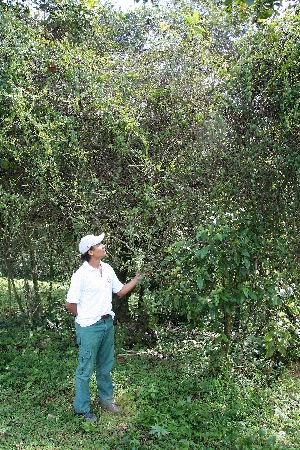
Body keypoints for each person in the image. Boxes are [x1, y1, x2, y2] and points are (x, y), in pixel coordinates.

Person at [66, 233, 143, 421]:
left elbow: (120, 291)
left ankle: (106, 400)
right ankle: (82, 409)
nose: (103, 245)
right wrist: (85, 318)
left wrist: (138, 278)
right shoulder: (80, 275)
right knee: (85, 369)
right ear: (90, 252)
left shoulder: (107, 269)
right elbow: (70, 304)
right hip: (89, 328)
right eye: (98, 244)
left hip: (107, 324)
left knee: (105, 365)